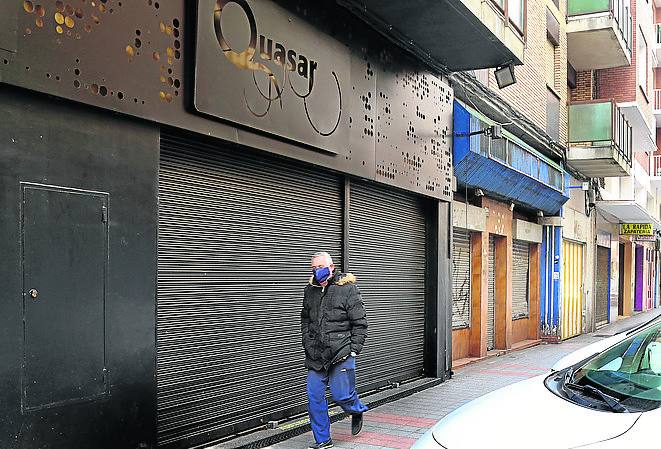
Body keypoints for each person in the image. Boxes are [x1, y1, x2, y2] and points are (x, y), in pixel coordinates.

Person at [301, 251, 368, 449]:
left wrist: (354, 349)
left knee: (342, 396)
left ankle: (356, 409)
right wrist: (307, 341)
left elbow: (360, 323)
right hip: (316, 355)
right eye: (314, 268)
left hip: (341, 353)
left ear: (331, 267)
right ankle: (323, 439)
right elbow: (305, 318)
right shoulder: (310, 290)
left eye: (321, 267)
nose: (317, 271)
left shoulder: (347, 289)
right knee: (314, 397)